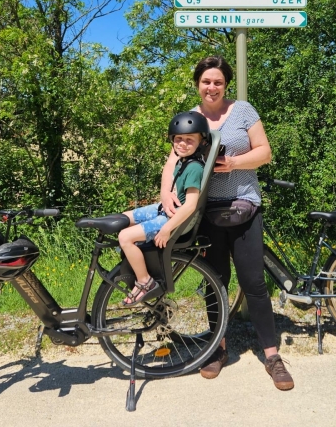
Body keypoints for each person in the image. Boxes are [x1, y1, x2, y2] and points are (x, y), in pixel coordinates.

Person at [158, 56, 294, 391]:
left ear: (225, 84)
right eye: (206, 81)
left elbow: (265, 152)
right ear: (197, 84)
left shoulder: (244, 111)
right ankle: (217, 349)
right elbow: (173, 159)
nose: (212, 87)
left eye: (218, 82)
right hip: (206, 213)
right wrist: (165, 192)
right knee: (214, 282)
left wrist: (233, 163)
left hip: (245, 208)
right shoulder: (192, 117)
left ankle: (272, 356)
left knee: (254, 284)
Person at [118, 111, 209, 306]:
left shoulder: (194, 168)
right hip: (165, 211)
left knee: (124, 237)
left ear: (201, 142)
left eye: (189, 140)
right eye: (178, 139)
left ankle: (144, 281)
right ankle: (132, 264)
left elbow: (191, 205)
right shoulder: (182, 161)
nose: (182, 143)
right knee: (121, 219)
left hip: (173, 221)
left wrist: (167, 229)